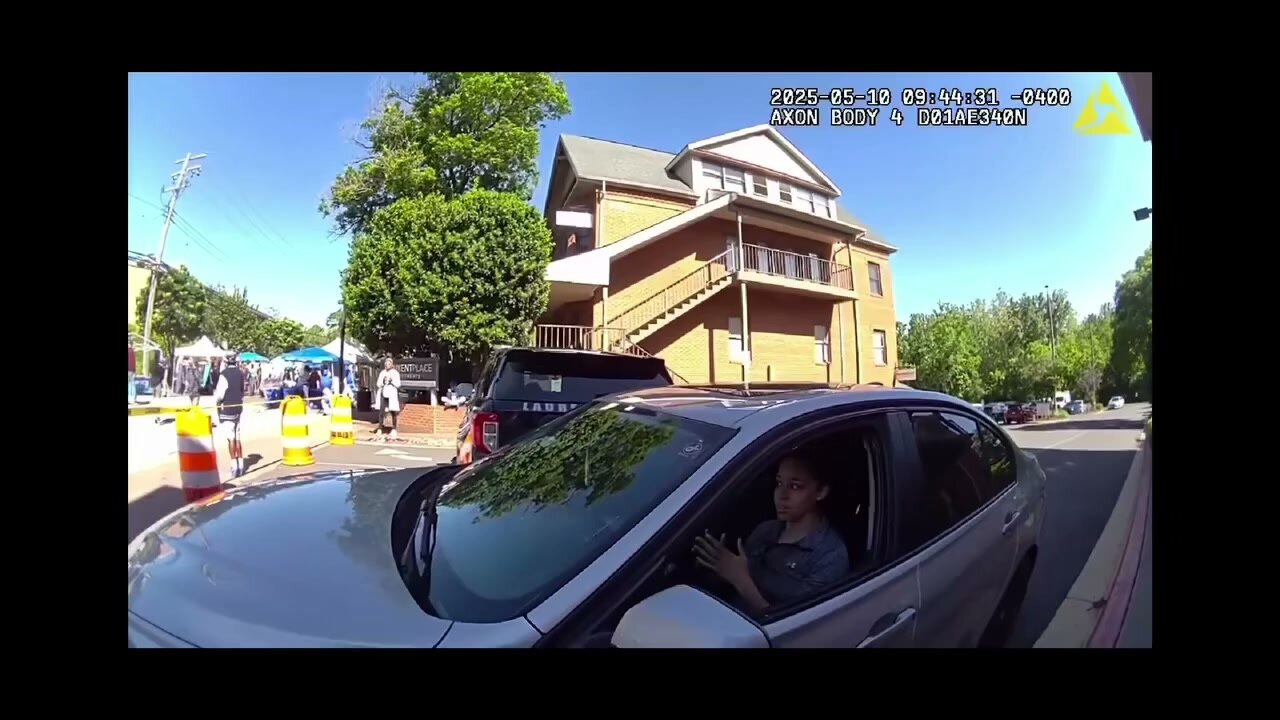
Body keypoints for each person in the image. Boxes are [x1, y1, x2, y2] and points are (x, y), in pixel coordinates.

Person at [693, 454, 849, 615]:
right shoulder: (766, 530)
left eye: (795, 486)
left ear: (821, 492)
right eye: (779, 483)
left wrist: (740, 579)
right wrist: (715, 565)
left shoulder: (829, 555)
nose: (782, 495)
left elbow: (794, 625)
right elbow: (732, 574)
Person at [213, 356, 247, 478]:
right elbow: (242, 390)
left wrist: (216, 401)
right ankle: (241, 465)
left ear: (226, 362)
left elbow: (220, 395)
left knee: (230, 438)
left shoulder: (224, 374)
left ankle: (234, 466)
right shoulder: (240, 373)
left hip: (227, 409)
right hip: (238, 407)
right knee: (238, 438)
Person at [374, 357, 401, 440]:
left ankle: (394, 429)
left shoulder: (395, 373)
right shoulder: (382, 372)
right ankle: (380, 428)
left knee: (393, 412)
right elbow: (378, 384)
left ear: (392, 365)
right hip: (383, 393)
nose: (387, 365)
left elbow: (398, 384)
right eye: (386, 364)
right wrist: (383, 382)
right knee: (381, 412)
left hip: (392, 394)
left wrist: (391, 381)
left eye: (389, 364)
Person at [128, 340, 137, 405]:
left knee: (130, 384)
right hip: (131, 370)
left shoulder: (130, 351)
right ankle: (133, 399)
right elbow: (133, 362)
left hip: (129, 370)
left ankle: (131, 399)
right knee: (132, 384)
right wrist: (134, 371)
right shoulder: (132, 352)